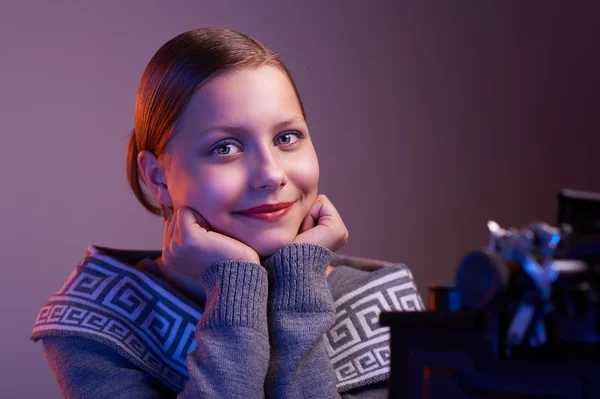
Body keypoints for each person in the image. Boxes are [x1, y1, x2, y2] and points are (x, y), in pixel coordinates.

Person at [30, 27, 424, 398]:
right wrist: (235, 286)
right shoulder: (96, 324)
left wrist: (299, 281)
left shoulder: (384, 309)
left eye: (287, 138)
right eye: (225, 148)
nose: (271, 174)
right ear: (158, 177)